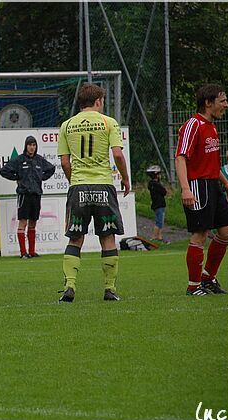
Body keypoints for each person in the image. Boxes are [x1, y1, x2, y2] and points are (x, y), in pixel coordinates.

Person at [57, 83, 130, 303]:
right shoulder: (108, 122)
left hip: (78, 186)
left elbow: (65, 162)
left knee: (75, 238)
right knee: (107, 238)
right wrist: (125, 178)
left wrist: (74, 182)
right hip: (103, 186)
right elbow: (118, 154)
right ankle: (110, 289)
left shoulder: (67, 125)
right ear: (98, 101)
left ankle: (70, 286)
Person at [175, 83, 228, 296]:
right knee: (200, 234)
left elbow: (212, 162)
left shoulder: (212, 126)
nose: (226, 105)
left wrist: (226, 184)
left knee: (227, 231)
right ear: (208, 103)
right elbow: (180, 158)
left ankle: (208, 278)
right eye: (222, 101)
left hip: (213, 185)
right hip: (197, 185)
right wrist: (185, 188)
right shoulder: (193, 125)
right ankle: (193, 286)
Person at [0, 135, 55, 258]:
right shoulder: (19, 160)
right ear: (26, 146)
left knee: (33, 223)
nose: (32, 147)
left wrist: (42, 177)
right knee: (23, 222)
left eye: (34, 145)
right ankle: (23, 253)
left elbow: (51, 169)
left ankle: (32, 251)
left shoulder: (39, 160)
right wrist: (17, 177)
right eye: (30, 145)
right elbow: (3, 171)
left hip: (36, 194)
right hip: (24, 194)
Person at [146, 165, 168, 243]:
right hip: (159, 205)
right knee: (159, 221)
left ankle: (159, 237)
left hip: (157, 205)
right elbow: (164, 192)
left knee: (160, 221)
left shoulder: (151, 184)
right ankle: (154, 237)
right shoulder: (156, 185)